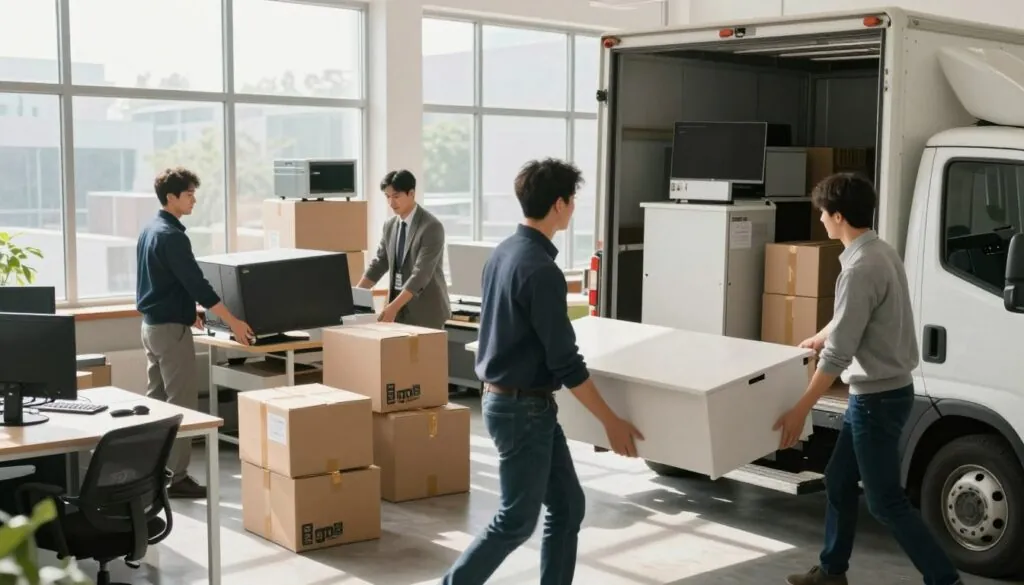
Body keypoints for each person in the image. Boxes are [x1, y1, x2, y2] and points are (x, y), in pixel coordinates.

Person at [440, 158, 644, 585]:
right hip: (521, 410)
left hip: (515, 402)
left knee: (568, 505)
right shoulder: (541, 271)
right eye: (573, 201)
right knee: (516, 520)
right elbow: (566, 363)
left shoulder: (503, 253)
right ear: (559, 204)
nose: (573, 209)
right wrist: (611, 423)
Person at [774, 173, 963, 585]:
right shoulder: (880, 252)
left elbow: (840, 355)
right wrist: (821, 335)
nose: (820, 221)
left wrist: (799, 410)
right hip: (884, 394)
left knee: (885, 503)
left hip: (876, 399)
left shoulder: (858, 269)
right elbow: (852, 320)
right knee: (839, 479)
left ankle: (945, 580)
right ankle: (831, 571)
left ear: (838, 216)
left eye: (823, 214)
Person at [137, 167, 253, 499]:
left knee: (157, 403)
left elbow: (163, 282)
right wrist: (233, 321)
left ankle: (153, 474)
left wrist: (191, 311)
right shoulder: (172, 236)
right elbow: (197, 284)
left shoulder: (150, 229)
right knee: (182, 406)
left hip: (151, 327)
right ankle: (178, 478)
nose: (194, 199)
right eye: (188, 194)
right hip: (170, 332)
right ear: (170, 197)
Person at [357, 170, 450, 330]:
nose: (391, 203)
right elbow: (380, 263)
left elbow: (421, 274)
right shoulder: (390, 225)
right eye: (387, 197)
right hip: (399, 310)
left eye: (396, 196)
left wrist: (393, 307)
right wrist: (356, 295)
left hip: (426, 312)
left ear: (411, 193)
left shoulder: (431, 227)